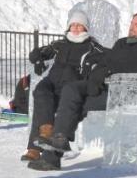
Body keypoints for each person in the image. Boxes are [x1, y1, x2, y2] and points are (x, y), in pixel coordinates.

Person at [29, 11, 137, 171]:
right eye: (132, 23)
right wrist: (96, 78)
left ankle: (52, 157)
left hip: (123, 92)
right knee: (71, 90)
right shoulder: (122, 43)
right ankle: (59, 140)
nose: (132, 27)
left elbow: (128, 65)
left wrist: (105, 71)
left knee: (74, 106)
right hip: (105, 85)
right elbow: (106, 63)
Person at [22, 9, 105, 162]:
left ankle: (34, 149)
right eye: (73, 25)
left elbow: (109, 59)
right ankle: (46, 130)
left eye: (80, 26)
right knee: (40, 91)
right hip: (52, 81)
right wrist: (39, 60)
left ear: (86, 28)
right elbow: (36, 53)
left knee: (43, 107)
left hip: (71, 87)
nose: (75, 28)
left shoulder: (93, 47)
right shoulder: (60, 44)